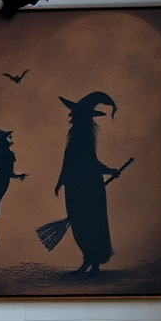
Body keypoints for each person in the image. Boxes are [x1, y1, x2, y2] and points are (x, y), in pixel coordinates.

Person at [52, 92, 128, 276]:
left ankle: (92, 263)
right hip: (78, 185)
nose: (72, 118)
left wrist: (109, 170)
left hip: (87, 186)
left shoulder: (84, 136)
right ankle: (90, 262)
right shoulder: (77, 136)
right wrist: (61, 180)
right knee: (82, 224)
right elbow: (69, 160)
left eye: (75, 115)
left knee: (90, 224)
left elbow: (90, 162)